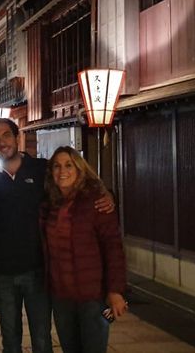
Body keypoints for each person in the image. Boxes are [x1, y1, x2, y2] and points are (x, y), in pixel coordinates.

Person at [0, 118, 114, 353]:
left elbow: (77, 185)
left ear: (16, 137)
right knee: (10, 339)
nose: (2, 142)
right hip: (2, 273)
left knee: (42, 338)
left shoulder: (40, 169)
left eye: (6, 135)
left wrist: (108, 195)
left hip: (38, 271)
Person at [42, 146, 127, 353]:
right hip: (62, 296)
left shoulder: (95, 202)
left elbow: (113, 247)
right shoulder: (50, 204)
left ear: (79, 169)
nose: (62, 171)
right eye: (57, 166)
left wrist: (115, 291)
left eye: (69, 165)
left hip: (92, 296)